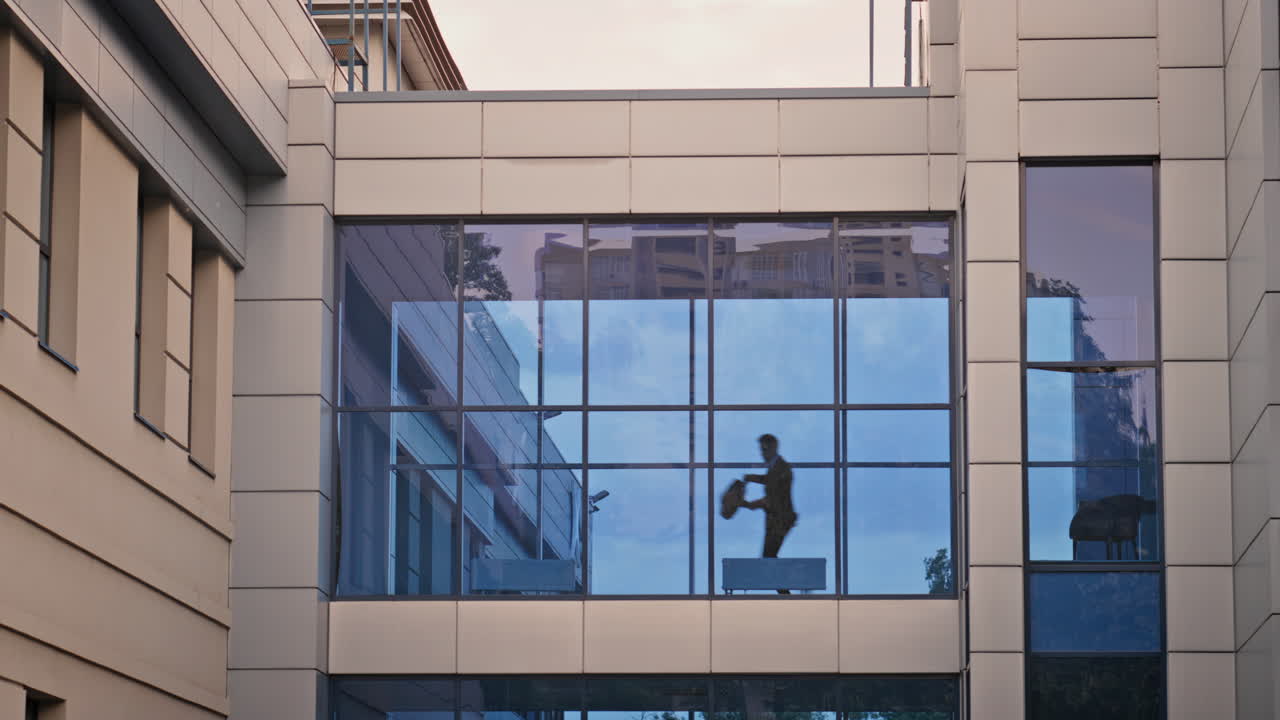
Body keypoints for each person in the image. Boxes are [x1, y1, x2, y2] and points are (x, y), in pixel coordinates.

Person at [741, 433, 797, 593]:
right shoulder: (776, 466)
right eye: (761, 450)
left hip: (781, 519)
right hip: (776, 519)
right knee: (769, 557)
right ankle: (785, 592)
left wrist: (748, 504)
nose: (762, 453)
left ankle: (786, 592)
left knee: (769, 557)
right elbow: (769, 480)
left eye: (764, 449)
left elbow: (772, 497)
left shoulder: (781, 467)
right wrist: (751, 477)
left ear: (773, 448)